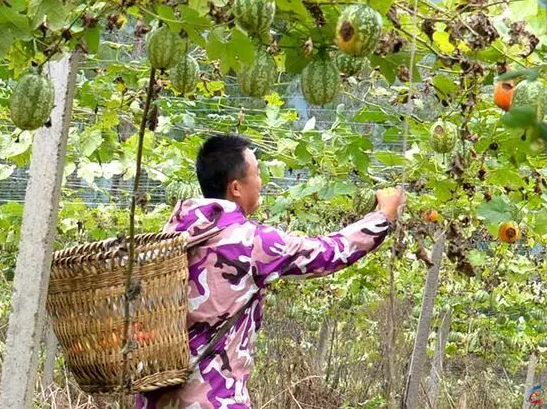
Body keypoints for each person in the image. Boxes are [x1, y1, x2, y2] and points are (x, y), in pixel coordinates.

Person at [136, 134, 406, 409]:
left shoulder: (169, 237)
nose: (261, 181)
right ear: (236, 188)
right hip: (215, 400)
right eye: (257, 173)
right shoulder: (249, 242)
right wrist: (382, 217)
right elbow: (328, 253)